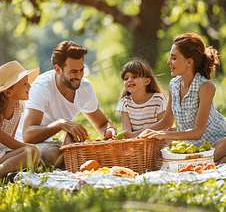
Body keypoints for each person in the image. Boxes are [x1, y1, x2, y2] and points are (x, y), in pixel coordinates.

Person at [21, 40, 117, 169]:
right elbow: (27, 135)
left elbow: (102, 124)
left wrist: (109, 130)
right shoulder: (42, 87)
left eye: (81, 70)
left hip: (47, 144)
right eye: (73, 71)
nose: (79, 76)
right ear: (58, 69)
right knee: (54, 155)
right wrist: (61, 124)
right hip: (21, 146)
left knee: (84, 153)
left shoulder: (85, 87)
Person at [139, 33, 226, 164]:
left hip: (218, 142)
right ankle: (208, 162)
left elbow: (198, 132)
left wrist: (163, 135)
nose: (168, 62)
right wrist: (139, 134)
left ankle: (204, 162)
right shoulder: (174, 85)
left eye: (174, 58)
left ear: (189, 62)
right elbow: (166, 122)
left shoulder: (205, 87)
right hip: (194, 149)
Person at [0, 61, 40, 179]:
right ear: (8, 92)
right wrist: (26, 148)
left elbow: (10, 141)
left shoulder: (19, 107)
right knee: (32, 151)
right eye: (24, 84)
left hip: (2, 153)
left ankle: (6, 174)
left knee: (33, 155)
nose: (29, 86)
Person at [116, 59, 167, 139]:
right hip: (136, 145)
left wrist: (137, 135)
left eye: (134, 77)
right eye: (126, 79)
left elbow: (163, 126)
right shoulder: (125, 103)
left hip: (156, 142)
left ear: (147, 81)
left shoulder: (158, 99)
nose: (129, 80)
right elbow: (127, 132)